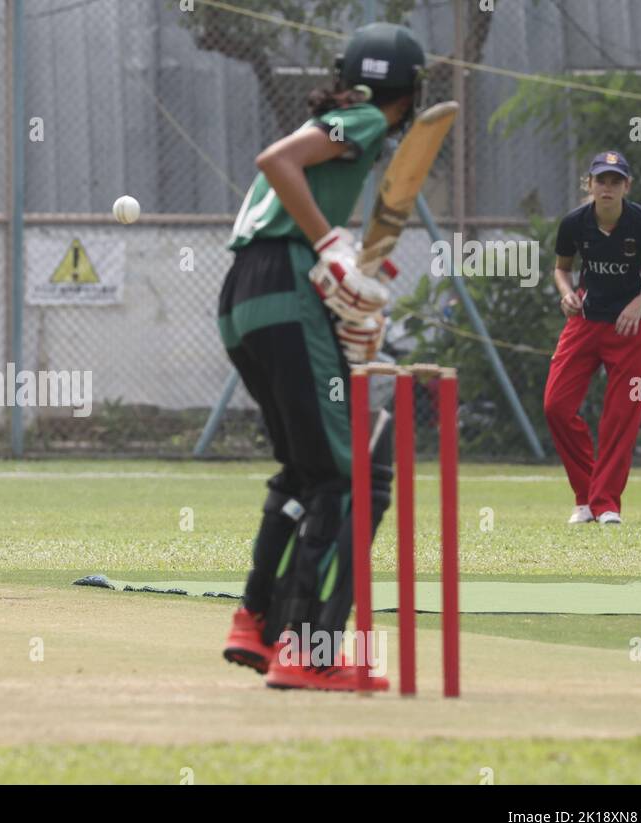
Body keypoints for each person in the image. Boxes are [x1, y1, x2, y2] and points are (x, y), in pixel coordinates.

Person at [216, 23, 428, 691]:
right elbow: (277, 161)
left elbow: (288, 190)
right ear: (411, 90)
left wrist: (348, 264)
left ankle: (255, 620)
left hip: (242, 298)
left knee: (306, 470)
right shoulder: (364, 117)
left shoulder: (343, 115)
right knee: (350, 476)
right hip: (285, 289)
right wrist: (331, 245)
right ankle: (308, 650)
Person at [544, 151, 641, 525]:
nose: (607, 188)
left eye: (615, 181)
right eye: (600, 180)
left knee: (621, 417)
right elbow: (561, 268)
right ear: (589, 184)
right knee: (556, 406)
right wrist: (566, 293)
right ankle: (586, 495)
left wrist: (639, 303)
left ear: (626, 186)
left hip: (632, 330)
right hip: (586, 324)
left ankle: (605, 505)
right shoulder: (574, 223)